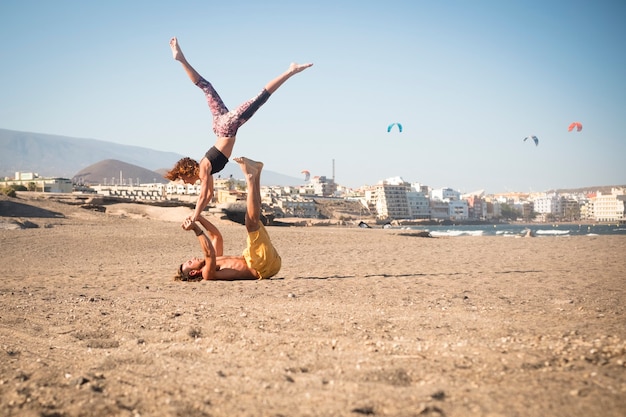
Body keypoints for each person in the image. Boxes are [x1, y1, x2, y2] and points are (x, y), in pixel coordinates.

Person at [165, 37, 312, 222]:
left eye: (183, 179)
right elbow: (209, 195)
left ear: (187, 172)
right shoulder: (205, 170)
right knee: (206, 87)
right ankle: (180, 58)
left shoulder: (203, 169)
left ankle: (290, 70)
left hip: (226, 126)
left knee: (259, 98)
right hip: (220, 126)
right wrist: (197, 215)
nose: (186, 183)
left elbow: (204, 196)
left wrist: (194, 216)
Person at [176, 157, 281, 281]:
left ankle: (257, 173)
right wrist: (195, 228)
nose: (192, 258)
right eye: (189, 262)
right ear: (193, 272)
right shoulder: (207, 273)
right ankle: (250, 177)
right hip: (261, 267)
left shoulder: (214, 261)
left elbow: (216, 237)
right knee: (251, 224)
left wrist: (199, 218)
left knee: (254, 219)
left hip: (259, 259)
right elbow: (210, 254)